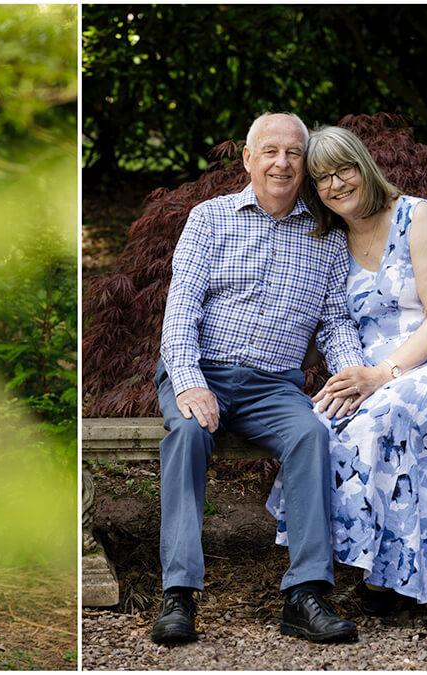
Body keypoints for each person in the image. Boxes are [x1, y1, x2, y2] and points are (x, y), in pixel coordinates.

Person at [152, 112, 366, 645]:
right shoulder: (209, 218)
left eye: (294, 152)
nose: (282, 162)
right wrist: (189, 381)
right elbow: (180, 312)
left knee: (312, 434)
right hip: (205, 369)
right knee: (188, 433)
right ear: (248, 158)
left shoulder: (326, 236)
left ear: (305, 162)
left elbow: (336, 320)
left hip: (275, 386)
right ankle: (177, 594)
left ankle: (306, 593)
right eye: (269, 151)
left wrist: (352, 377)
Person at [266, 125, 427, 614]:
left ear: (364, 167)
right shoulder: (328, 244)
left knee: (382, 415)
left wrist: (383, 375)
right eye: (322, 177)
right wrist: (355, 376)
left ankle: (391, 577)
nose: (336, 184)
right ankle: (317, 574)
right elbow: (332, 327)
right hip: (371, 369)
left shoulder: (417, 216)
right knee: (316, 425)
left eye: (344, 169)